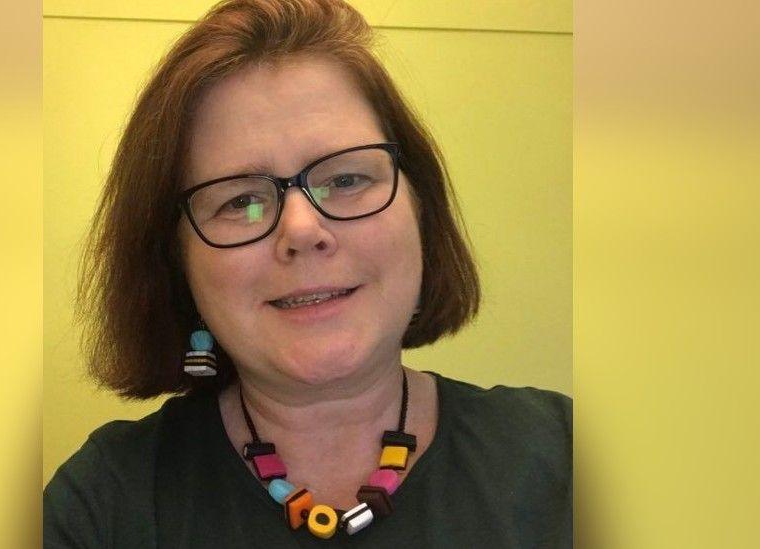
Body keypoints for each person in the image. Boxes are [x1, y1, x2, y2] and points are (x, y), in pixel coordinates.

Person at [43, 0, 572, 547]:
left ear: (421, 209)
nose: (301, 229)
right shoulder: (102, 505)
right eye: (241, 201)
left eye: (345, 179)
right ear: (176, 262)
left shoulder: (566, 458)